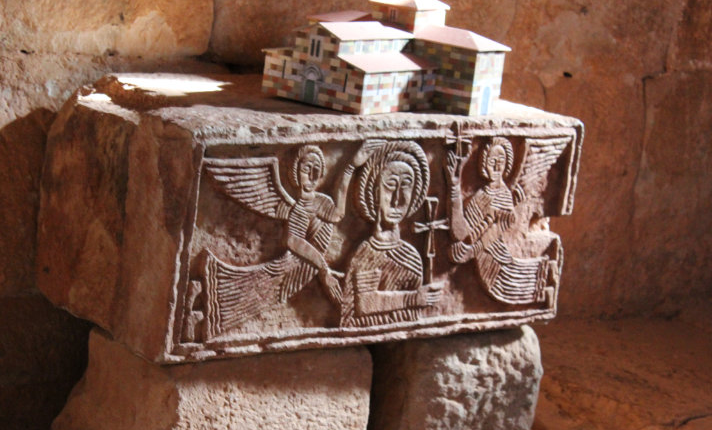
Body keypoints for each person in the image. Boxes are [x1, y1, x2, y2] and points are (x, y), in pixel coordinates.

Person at [204, 142, 380, 338]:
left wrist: (350, 167)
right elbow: (292, 240)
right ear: (296, 173)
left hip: (308, 268)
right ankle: (207, 308)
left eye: (317, 170)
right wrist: (323, 268)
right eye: (307, 169)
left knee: (255, 299)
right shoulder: (298, 209)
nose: (312, 176)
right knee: (252, 299)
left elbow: (338, 214)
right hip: (292, 268)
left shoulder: (323, 202)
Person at [340, 141, 442, 328]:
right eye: (390, 185)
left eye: (405, 186)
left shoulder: (409, 252)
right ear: (375, 192)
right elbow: (365, 304)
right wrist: (414, 298)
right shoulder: (368, 253)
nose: (397, 199)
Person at [444, 136, 554, 304]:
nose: (496, 166)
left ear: (507, 165)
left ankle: (547, 279)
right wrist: (454, 187)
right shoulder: (481, 196)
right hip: (483, 260)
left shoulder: (503, 195)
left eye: (501, 161)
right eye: (492, 161)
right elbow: (462, 233)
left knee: (518, 285)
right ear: (484, 165)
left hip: (497, 260)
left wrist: (470, 251)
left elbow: (497, 229)